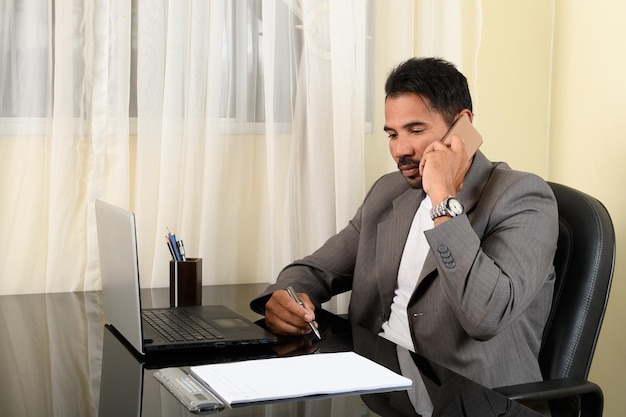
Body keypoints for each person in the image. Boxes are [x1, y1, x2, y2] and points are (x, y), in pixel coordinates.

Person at [250, 57, 558, 389]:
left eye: (415, 130)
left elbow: (484, 316)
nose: (400, 149)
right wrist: (285, 297)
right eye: (392, 134)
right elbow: (314, 270)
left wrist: (442, 196)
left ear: (463, 127)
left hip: (468, 397)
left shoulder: (522, 197)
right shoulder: (389, 191)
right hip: (378, 383)